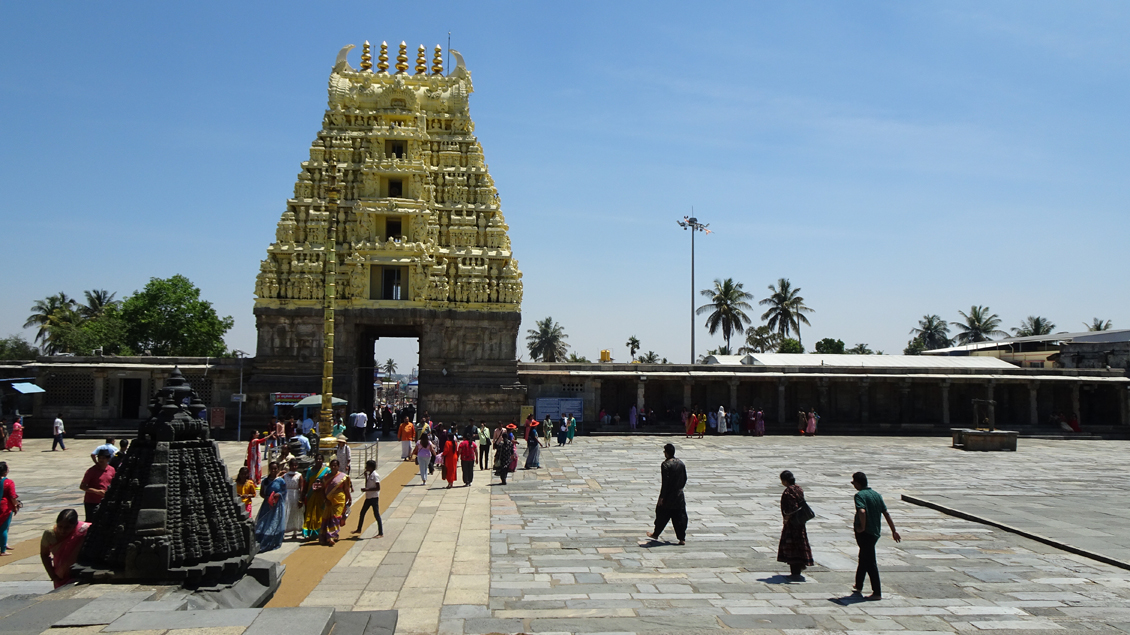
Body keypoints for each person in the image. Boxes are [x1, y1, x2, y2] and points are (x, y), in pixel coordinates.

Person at [851, 472, 901, 600]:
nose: (853, 485)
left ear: (858, 483)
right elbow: (886, 513)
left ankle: (877, 592)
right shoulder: (876, 495)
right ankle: (858, 585)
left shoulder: (859, 495)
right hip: (875, 532)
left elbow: (862, 511)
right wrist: (894, 530)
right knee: (863, 557)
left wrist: (862, 527)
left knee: (870, 561)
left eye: (853, 482)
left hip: (865, 533)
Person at [646, 443, 687, 545]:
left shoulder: (665, 465)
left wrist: (661, 497)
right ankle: (682, 538)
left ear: (667, 453)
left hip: (669, 496)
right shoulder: (681, 463)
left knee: (661, 514)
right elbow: (685, 478)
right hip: (679, 495)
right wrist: (680, 489)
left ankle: (656, 534)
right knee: (680, 516)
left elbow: (665, 483)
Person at [777, 470, 814, 580]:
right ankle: (800, 565)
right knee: (800, 543)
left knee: (792, 546)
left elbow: (792, 508)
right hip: (800, 522)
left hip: (792, 524)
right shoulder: (798, 488)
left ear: (784, 481)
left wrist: (786, 519)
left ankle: (795, 570)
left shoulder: (788, 492)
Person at [40, 509, 89, 588]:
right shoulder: (49, 534)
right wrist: (53, 576)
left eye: (67, 527)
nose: (62, 530)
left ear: (75, 525)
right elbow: (44, 554)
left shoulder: (84, 530)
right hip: (60, 575)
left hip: (79, 572)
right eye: (60, 526)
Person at [254, 463, 288, 552]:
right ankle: (262, 540)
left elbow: (284, 491)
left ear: (278, 469)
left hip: (277, 505)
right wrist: (268, 498)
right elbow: (262, 493)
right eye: (272, 469)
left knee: (275, 522)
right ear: (269, 469)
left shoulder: (281, 481)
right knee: (264, 522)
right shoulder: (265, 481)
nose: (273, 470)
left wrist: (278, 495)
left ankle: (273, 541)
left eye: (275, 469)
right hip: (267, 505)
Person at [319, 458, 352, 545]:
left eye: (335, 466)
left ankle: (331, 535)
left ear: (338, 466)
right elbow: (322, 489)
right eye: (332, 466)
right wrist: (325, 499)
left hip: (339, 500)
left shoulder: (343, 477)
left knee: (336, 517)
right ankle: (329, 536)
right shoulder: (326, 477)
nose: (333, 467)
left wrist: (349, 498)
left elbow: (346, 489)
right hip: (329, 500)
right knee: (328, 517)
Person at [80, 448, 115, 522]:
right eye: (99, 458)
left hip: (106, 500)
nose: (101, 460)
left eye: (103, 458)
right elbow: (82, 486)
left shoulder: (112, 470)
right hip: (92, 502)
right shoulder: (91, 471)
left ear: (108, 459)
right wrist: (96, 491)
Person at [302, 453, 329, 540]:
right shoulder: (310, 470)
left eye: (320, 459)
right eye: (317, 459)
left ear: (323, 460)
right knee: (309, 513)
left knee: (319, 513)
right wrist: (302, 496)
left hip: (321, 495)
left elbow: (328, 482)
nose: (318, 461)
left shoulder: (326, 470)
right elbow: (306, 483)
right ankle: (307, 532)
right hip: (311, 494)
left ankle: (318, 531)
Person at [354, 459, 383, 537]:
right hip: (368, 497)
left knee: (376, 514)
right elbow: (368, 484)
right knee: (362, 512)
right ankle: (359, 529)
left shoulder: (375, 475)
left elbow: (378, 488)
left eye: (367, 466)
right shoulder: (370, 475)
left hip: (374, 498)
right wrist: (366, 477)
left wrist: (367, 490)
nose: (366, 468)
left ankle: (380, 533)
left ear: (371, 467)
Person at [1, 462, 21, 556]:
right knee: (4, 527)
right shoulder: (9, 482)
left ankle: (4, 543)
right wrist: (16, 505)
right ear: (5, 472)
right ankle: (3, 550)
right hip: (5, 507)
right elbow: (12, 496)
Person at [283, 458, 305, 540]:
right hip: (287, 496)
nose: (294, 467)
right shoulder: (285, 475)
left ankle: (295, 532)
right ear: (289, 466)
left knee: (295, 513)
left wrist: (301, 498)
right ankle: (284, 531)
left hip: (295, 495)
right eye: (292, 465)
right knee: (286, 512)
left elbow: (301, 487)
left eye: (295, 465)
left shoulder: (299, 475)